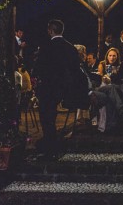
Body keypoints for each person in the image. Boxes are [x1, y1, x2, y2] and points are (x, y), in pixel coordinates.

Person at [32, 19, 85, 158]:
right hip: (66, 88)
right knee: (50, 113)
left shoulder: (46, 46)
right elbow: (75, 69)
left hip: (50, 86)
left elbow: (39, 68)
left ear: (50, 30)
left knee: (45, 115)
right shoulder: (70, 48)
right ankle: (52, 142)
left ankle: (50, 145)